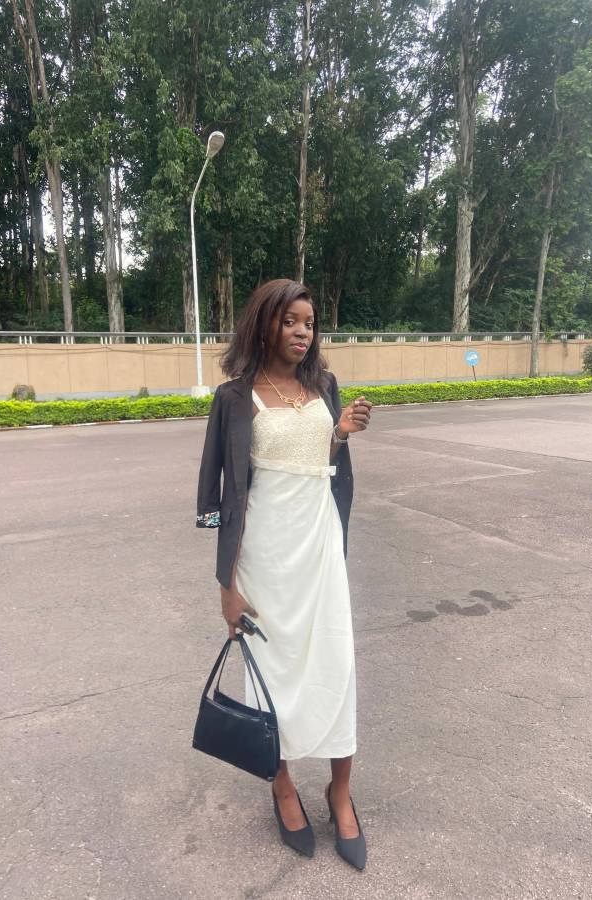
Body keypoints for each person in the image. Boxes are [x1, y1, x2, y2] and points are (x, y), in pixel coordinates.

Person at [196, 278, 372, 870]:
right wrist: (226, 586)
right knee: (270, 671)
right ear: (264, 324)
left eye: (309, 323)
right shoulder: (233, 397)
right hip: (263, 555)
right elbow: (218, 494)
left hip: (319, 546)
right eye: (290, 321)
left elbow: (322, 462)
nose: (302, 332)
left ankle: (340, 791)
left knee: (335, 662)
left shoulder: (324, 386)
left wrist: (340, 434)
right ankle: (282, 785)